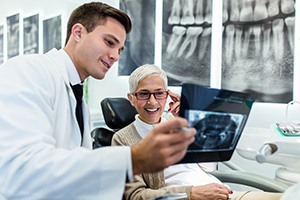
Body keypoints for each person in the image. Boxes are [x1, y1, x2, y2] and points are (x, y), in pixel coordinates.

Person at [0, 2, 196, 199]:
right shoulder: (27, 71)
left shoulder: (77, 99)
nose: (115, 57)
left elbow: (78, 180)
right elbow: (20, 173)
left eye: (120, 50)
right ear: (78, 33)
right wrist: (133, 160)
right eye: (109, 42)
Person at [111, 64, 283, 200]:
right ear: (131, 98)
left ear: (167, 95)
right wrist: (191, 194)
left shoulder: (175, 123)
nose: (152, 101)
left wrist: (191, 121)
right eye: (143, 94)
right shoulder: (122, 139)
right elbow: (136, 196)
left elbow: (207, 166)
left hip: (221, 193)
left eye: (159, 93)